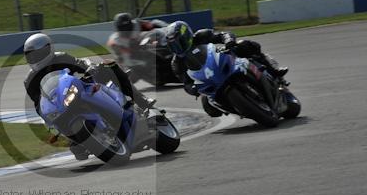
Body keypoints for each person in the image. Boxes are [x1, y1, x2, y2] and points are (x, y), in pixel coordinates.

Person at [23, 33, 156, 159]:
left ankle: (141, 100)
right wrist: (45, 115)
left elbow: (81, 63)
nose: (34, 58)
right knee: (56, 123)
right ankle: (75, 140)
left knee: (110, 65)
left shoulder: (61, 57)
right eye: (31, 55)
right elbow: (38, 102)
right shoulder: (29, 80)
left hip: (79, 87)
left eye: (38, 54)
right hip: (60, 104)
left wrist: (90, 67)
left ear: (48, 49)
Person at [166, 20, 288, 117]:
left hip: (221, 59)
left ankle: (274, 70)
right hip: (208, 79)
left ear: (186, 35)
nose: (178, 47)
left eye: (180, 42)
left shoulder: (200, 36)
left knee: (244, 45)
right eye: (174, 45)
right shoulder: (177, 63)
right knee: (208, 106)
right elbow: (185, 82)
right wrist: (193, 89)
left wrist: (229, 41)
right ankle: (236, 106)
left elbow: (222, 35)